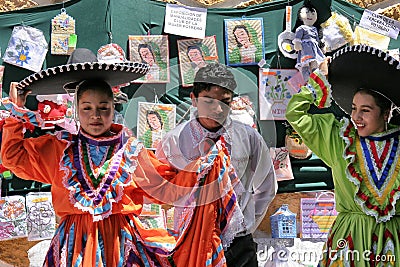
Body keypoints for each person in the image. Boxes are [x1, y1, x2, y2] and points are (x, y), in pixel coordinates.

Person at [1, 49, 245, 266]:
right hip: (74, 248)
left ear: (113, 108)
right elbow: (12, 157)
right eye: (87, 108)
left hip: (122, 248)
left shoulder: (131, 152)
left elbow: (169, 188)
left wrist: (202, 164)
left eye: (103, 107)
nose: (95, 115)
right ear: (76, 109)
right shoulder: (59, 149)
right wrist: (15, 113)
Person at [286, 44, 400, 266]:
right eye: (354, 108)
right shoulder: (339, 140)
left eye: (365, 110)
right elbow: (295, 113)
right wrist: (319, 78)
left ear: (386, 113)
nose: (356, 116)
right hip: (349, 242)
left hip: (393, 243)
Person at [156, 62, 277, 267]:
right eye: (209, 101)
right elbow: (161, 191)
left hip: (239, 244)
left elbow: (267, 186)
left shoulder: (248, 138)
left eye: (225, 101)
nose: (218, 109)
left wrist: (245, 224)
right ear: (193, 100)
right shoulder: (173, 141)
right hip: (190, 241)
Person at [293, 2, 326, 80]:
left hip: (314, 49)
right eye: (307, 13)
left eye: (312, 13)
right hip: (306, 49)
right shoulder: (301, 28)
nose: (310, 15)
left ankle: (316, 76)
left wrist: (321, 46)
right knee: (305, 63)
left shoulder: (315, 29)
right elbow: (298, 37)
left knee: (314, 62)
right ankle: (307, 79)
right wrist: (297, 43)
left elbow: (317, 39)